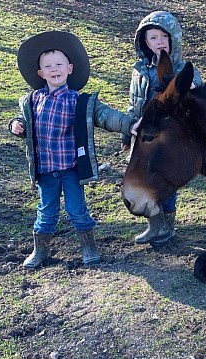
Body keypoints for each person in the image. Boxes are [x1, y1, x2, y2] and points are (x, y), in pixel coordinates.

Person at [9, 31, 136, 268]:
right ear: (40, 73)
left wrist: (130, 124)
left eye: (59, 64)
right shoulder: (32, 100)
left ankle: (88, 246)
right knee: (46, 212)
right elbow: (24, 121)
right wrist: (16, 126)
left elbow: (104, 115)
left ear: (69, 68)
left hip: (70, 169)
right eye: (47, 66)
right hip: (45, 170)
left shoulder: (78, 101)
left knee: (77, 210)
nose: (53, 69)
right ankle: (41, 249)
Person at [122, 10, 203, 246]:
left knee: (164, 180)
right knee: (145, 181)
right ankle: (154, 226)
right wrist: (128, 133)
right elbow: (133, 105)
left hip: (168, 140)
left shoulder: (182, 69)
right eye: (153, 38)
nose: (159, 42)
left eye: (163, 37)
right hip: (144, 137)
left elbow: (195, 86)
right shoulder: (139, 71)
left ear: (173, 39)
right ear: (144, 43)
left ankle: (168, 227)